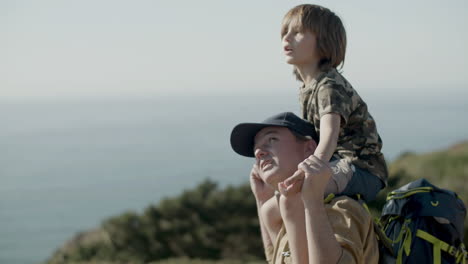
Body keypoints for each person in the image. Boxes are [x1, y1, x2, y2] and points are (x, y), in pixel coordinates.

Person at [230, 112, 379, 264]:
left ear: (309, 148)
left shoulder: (338, 210)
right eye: (256, 148)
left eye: (272, 139)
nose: (258, 152)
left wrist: (312, 202)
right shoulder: (290, 212)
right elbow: (275, 258)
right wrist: (262, 199)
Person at [280, 4, 388, 202]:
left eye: (297, 32)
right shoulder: (308, 88)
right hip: (337, 165)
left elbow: (329, 136)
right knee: (276, 204)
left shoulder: (329, 86)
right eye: (285, 32)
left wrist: (309, 171)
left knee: (303, 190)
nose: (286, 38)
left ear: (324, 42)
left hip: (363, 170)